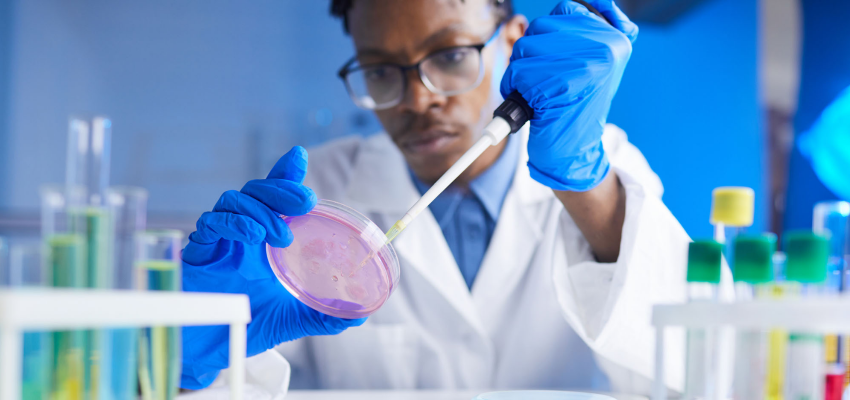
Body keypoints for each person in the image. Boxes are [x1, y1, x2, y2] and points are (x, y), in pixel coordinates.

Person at [181, 0, 690, 395]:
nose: (419, 99)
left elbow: (689, 362)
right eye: (380, 71)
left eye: (450, 57)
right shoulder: (316, 200)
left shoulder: (602, 168)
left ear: (513, 43)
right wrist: (201, 347)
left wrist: (585, 185)